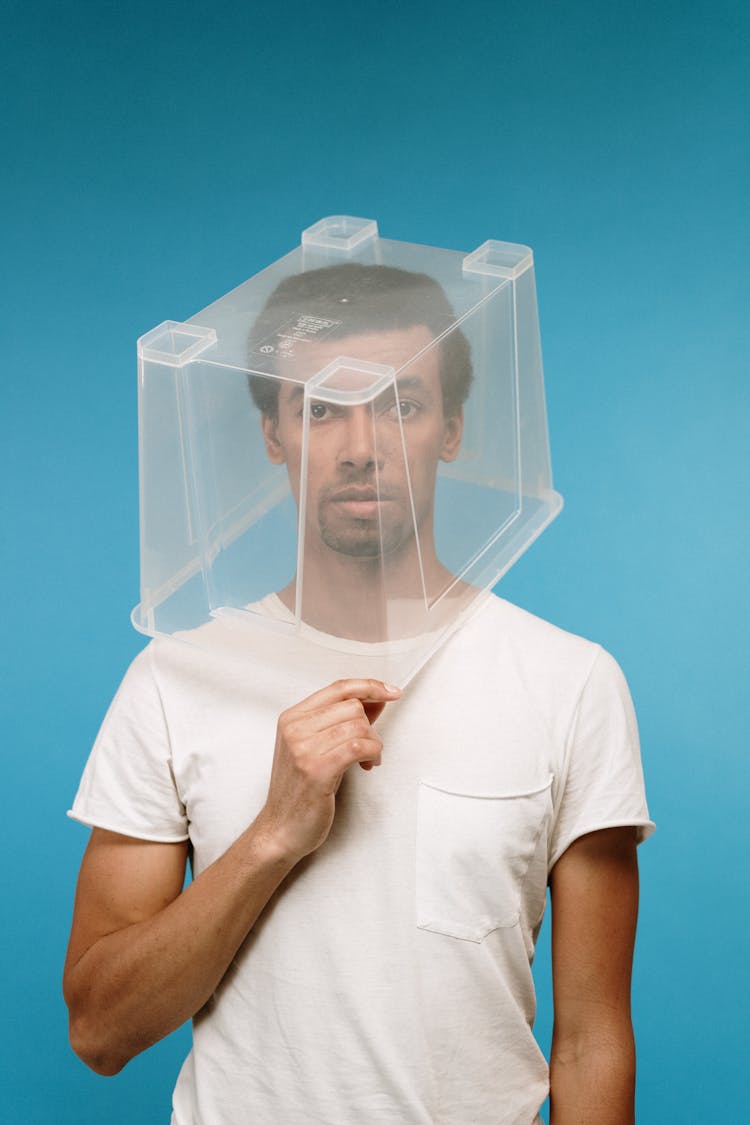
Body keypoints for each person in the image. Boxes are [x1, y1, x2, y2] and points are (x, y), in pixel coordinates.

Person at [64, 263, 654, 1125]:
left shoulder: (570, 681)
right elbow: (99, 1029)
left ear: (452, 429)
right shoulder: (175, 679)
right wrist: (273, 834)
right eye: (321, 409)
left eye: (401, 405)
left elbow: (593, 1039)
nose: (361, 446)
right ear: (274, 434)